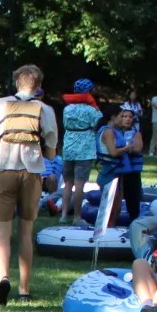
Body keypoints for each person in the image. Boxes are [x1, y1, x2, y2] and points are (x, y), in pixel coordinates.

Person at [0, 64, 59, 305]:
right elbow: (51, 153)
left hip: (4, 170)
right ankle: (24, 289)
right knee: (26, 232)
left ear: (17, 82)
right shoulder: (45, 109)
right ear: (38, 86)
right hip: (31, 174)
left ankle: (3, 277)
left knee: (2, 232)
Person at [59, 79, 102, 222]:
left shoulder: (67, 109)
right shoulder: (92, 111)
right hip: (85, 150)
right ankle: (77, 216)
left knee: (68, 183)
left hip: (68, 148)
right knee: (79, 184)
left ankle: (63, 215)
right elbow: (96, 124)